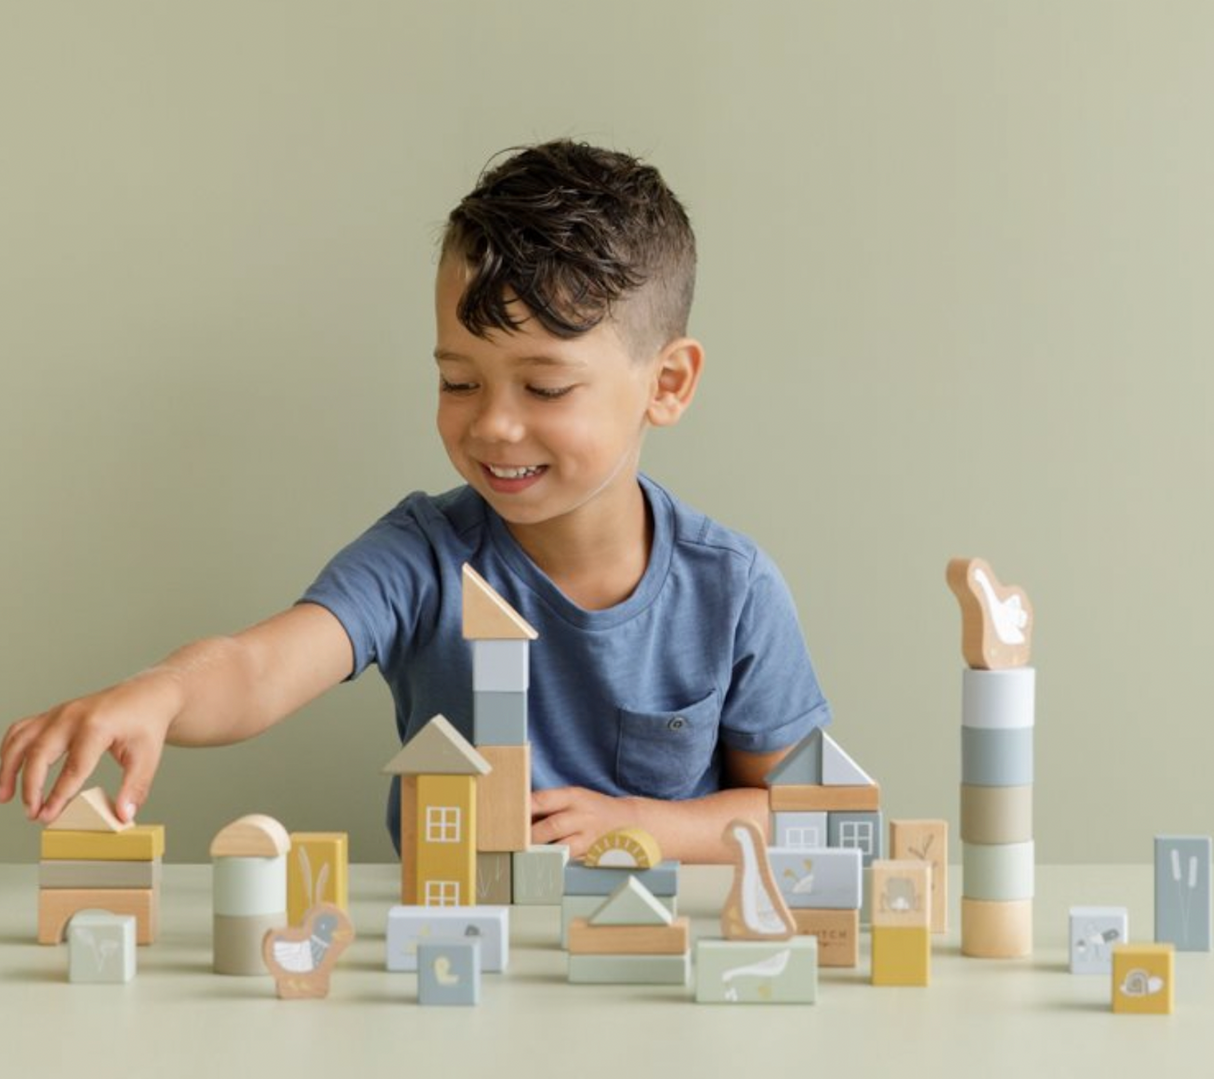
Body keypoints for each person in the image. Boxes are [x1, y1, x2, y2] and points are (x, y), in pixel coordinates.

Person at [0, 139, 830, 862]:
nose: (495, 425)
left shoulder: (733, 589)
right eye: (458, 380)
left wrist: (643, 826)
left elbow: (808, 814)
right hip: (462, 967)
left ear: (668, 382)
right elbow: (261, 666)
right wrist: (162, 692)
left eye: (544, 386)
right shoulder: (425, 557)